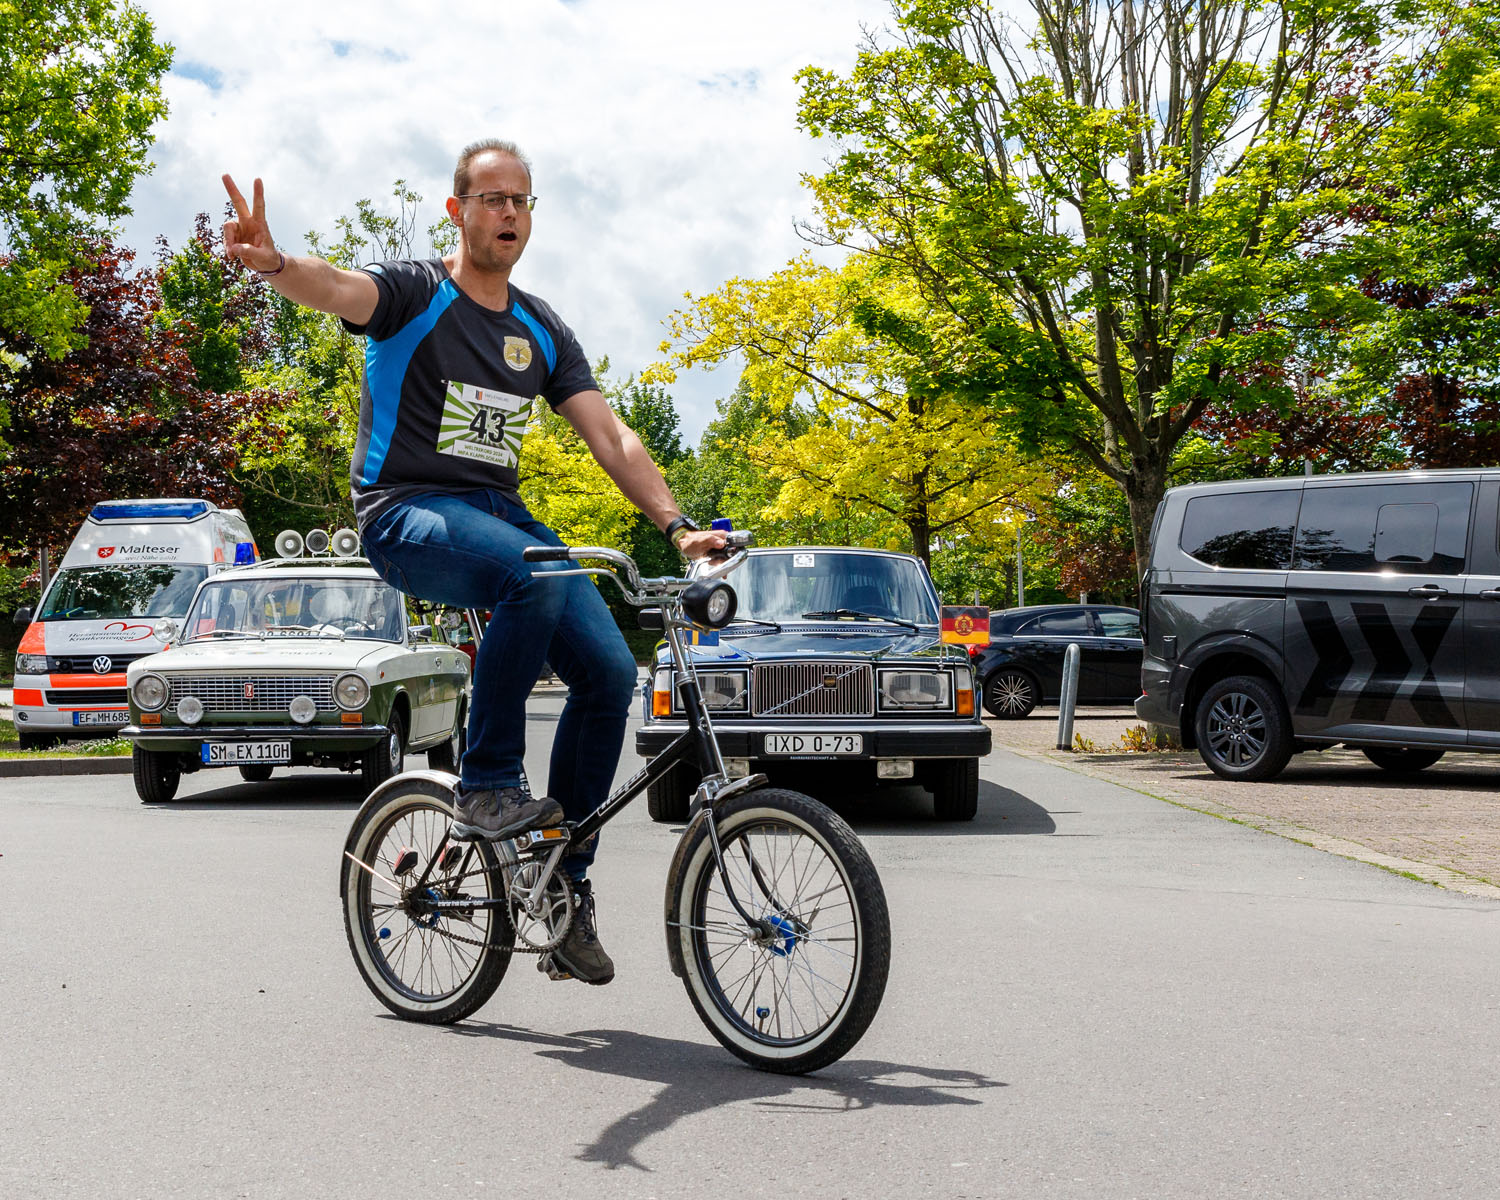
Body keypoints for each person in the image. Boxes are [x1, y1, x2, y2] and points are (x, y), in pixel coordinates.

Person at [221, 139, 724, 985]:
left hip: (499, 516)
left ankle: (562, 884)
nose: (509, 215)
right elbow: (339, 287)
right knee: (524, 573)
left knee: (607, 675)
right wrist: (273, 263)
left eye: (522, 201)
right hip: (405, 511)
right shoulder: (418, 291)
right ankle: (487, 780)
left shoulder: (540, 327)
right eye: (492, 199)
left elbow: (612, 435)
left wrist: (677, 525)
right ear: (457, 211)